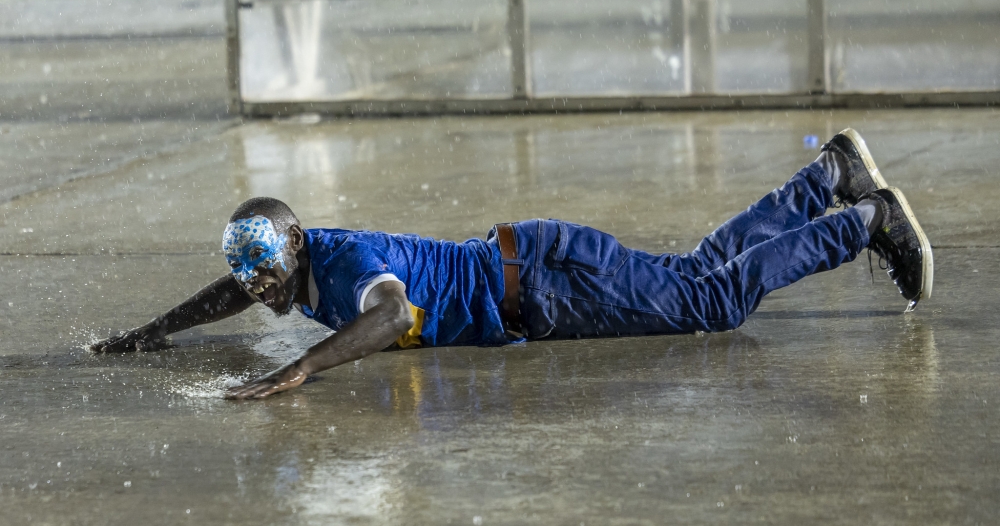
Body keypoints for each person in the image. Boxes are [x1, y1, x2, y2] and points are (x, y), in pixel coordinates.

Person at [91, 129, 932, 400]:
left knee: (714, 300)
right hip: (535, 269)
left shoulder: (344, 265)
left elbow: (388, 316)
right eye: (255, 283)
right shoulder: (290, 266)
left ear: (297, 245)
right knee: (702, 268)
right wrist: (150, 331)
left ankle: (863, 221)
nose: (261, 296)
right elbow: (226, 292)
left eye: (267, 278)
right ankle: (830, 175)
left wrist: (304, 368)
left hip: (550, 280)